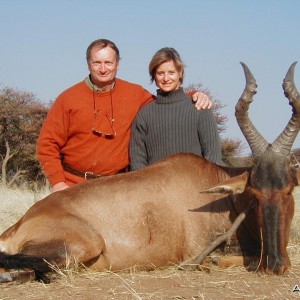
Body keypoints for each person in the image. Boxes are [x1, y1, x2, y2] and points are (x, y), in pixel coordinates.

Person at [37, 39, 213, 193]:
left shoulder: (135, 93)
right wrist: (58, 183)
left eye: (109, 62)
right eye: (97, 63)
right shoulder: (67, 99)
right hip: (75, 186)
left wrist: (194, 97)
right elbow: (47, 144)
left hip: (118, 188)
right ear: (88, 63)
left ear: (117, 64)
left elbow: (164, 103)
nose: (103, 69)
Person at [130, 47, 222, 171]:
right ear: (154, 75)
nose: (166, 78)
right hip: (155, 187)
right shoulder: (144, 115)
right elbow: (138, 162)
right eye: (160, 73)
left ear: (180, 73)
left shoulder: (200, 108)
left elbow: (213, 157)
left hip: (195, 187)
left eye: (171, 72)